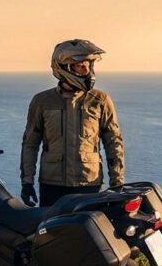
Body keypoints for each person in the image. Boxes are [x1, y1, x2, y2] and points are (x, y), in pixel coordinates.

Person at [19, 39, 124, 207]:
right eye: (81, 66)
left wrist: (117, 183)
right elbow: (30, 144)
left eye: (89, 66)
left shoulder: (100, 100)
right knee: (50, 232)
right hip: (52, 185)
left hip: (89, 184)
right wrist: (27, 182)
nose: (87, 70)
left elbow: (113, 142)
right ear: (64, 67)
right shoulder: (42, 101)